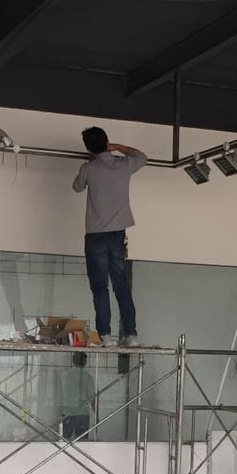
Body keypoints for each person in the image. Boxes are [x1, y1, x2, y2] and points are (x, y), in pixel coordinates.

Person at [73, 126, 146, 347]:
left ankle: (105, 336)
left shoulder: (88, 168)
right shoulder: (123, 165)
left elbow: (77, 187)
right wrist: (117, 147)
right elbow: (142, 157)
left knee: (100, 288)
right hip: (117, 234)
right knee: (121, 285)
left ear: (88, 148)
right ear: (107, 142)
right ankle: (131, 335)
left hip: (95, 235)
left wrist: (91, 162)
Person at [58, 352, 95, 440]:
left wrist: (59, 411)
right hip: (82, 413)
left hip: (67, 411)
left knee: (65, 440)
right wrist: (96, 414)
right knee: (82, 441)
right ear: (85, 361)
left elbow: (59, 394)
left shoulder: (64, 375)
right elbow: (92, 397)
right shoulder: (87, 376)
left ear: (73, 361)